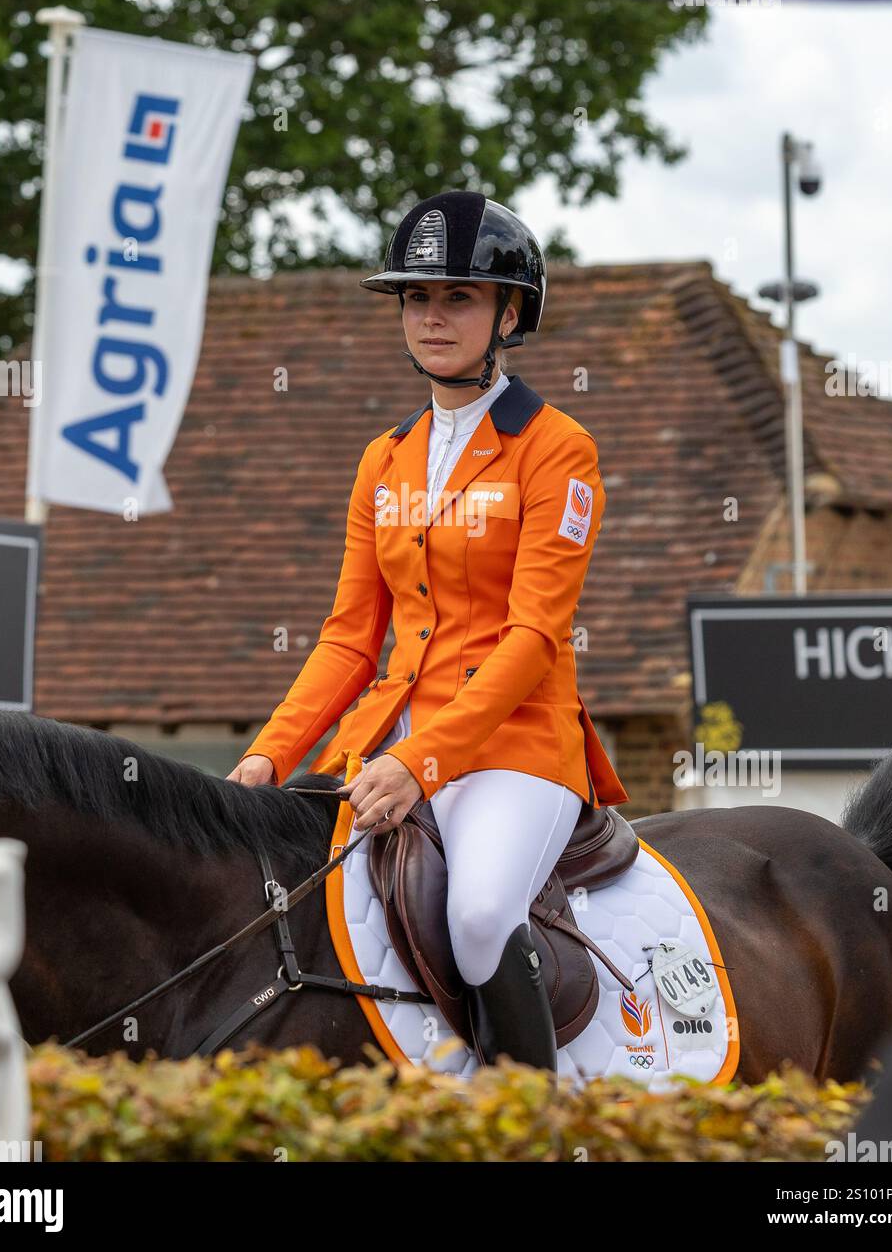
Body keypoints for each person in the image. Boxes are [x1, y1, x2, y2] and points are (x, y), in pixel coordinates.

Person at [229, 190, 627, 1073]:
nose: (433, 318)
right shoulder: (385, 458)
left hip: (515, 749)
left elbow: (533, 638)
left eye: (459, 297)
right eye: (418, 297)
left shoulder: (558, 449)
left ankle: (528, 1113)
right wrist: (271, 754)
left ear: (509, 312)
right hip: (385, 744)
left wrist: (420, 762)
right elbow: (346, 639)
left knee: (482, 918)